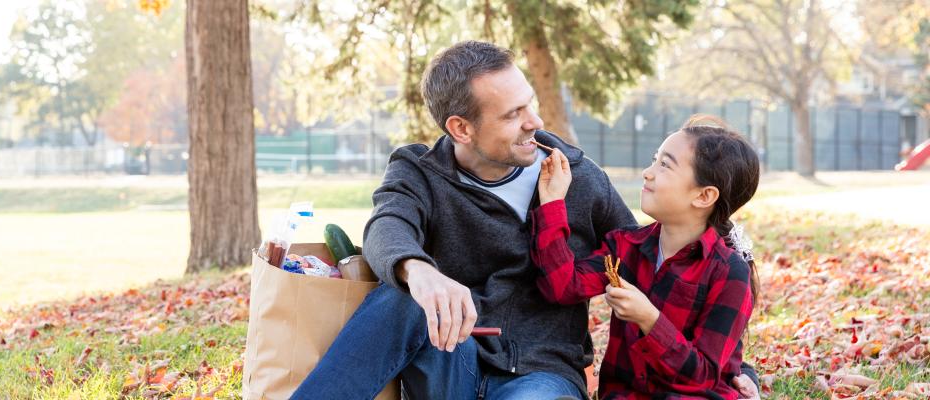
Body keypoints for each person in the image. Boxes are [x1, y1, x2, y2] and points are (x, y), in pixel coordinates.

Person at [292, 40, 758, 399]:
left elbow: (655, 259)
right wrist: (420, 273)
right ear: (461, 128)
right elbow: (386, 226)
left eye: (529, 103)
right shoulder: (419, 172)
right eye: (513, 114)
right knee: (400, 299)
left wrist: (733, 369)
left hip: (542, 376)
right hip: (453, 361)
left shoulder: (575, 174)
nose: (533, 121)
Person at [531, 115, 760, 399]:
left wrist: (650, 320)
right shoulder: (625, 247)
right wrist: (552, 203)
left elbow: (700, 377)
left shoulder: (729, 273)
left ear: (704, 196)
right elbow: (561, 287)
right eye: (655, 159)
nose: (647, 172)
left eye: (665, 165)